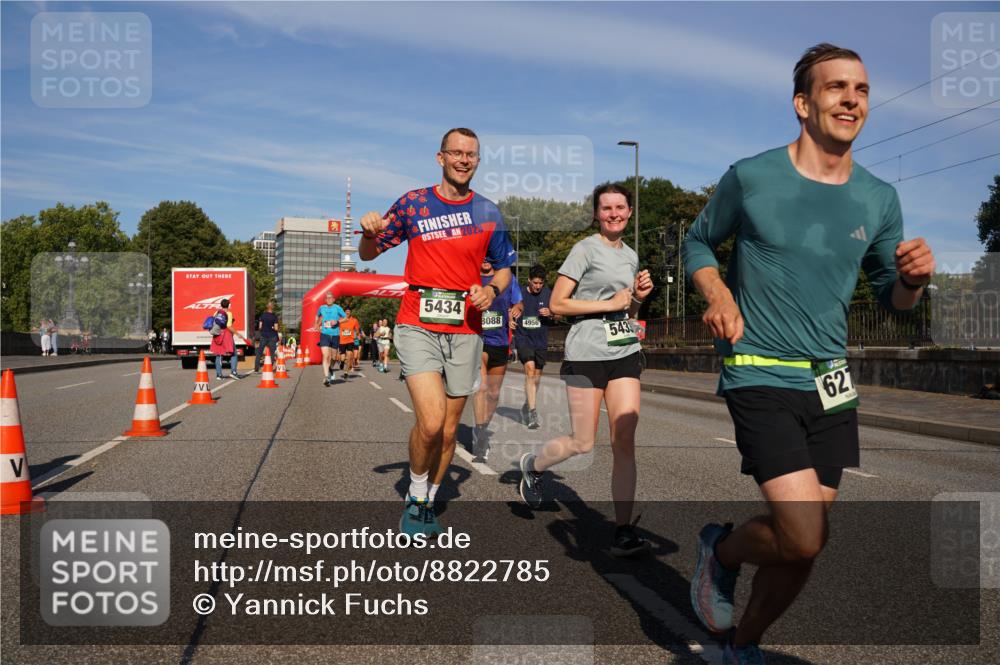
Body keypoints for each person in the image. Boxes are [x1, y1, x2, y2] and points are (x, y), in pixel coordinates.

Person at [681, 44, 936, 664]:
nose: (852, 99)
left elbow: (893, 300)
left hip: (830, 382)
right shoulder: (753, 176)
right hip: (759, 370)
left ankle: (745, 644)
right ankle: (722, 551)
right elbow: (697, 242)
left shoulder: (879, 198)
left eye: (863, 89)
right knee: (802, 532)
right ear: (803, 103)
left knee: (806, 546)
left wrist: (913, 278)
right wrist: (716, 291)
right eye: (837, 87)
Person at [359, 127, 516, 537]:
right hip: (417, 320)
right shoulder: (414, 203)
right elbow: (369, 252)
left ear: (477, 161)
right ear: (440, 157)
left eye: (472, 155)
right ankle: (414, 494)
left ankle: (428, 499)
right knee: (429, 423)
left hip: (466, 326)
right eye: (457, 153)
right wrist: (368, 231)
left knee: (448, 431)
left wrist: (492, 289)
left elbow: (504, 267)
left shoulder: (488, 212)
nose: (465, 160)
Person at [517, 183, 653, 558]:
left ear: (629, 211)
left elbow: (629, 311)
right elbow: (558, 303)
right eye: (606, 208)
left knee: (624, 438)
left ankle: (623, 530)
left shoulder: (630, 255)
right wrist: (606, 302)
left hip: (624, 349)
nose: (614, 213)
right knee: (583, 442)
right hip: (587, 352)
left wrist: (638, 298)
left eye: (620, 207)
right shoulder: (584, 249)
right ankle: (534, 465)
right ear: (596, 214)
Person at [471, 259, 523, 462]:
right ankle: (481, 436)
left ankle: (481, 427)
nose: (484, 260)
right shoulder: (472, 275)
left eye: (489, 256)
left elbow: (518, 301)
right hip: (479, 338)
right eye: (481, 255)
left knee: (493, 393)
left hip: (500, 341)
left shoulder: (508, 278)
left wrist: (517, 308)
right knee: (481, 388)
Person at [514, 264, 556, 430]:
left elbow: (559, 313)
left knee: (536, 378)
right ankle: (532, 412)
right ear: (529, 280)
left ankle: (527, 404)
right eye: (535, 283)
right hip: (524, 337)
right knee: (530, 370)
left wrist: (551, 312)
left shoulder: (548, 293)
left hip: (540, 340)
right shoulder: (520, 293)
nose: (538, 286)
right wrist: (511, 316)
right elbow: (513, 308)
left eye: (541, 283)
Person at [210, 298, 250, 379]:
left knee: (219, 354)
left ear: (221, 305)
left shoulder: (217, 312)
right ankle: (233, 372)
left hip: (217, 335)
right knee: (234, 353)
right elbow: (228, 326)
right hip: (226, 335)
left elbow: (213, 323)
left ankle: (219, 375)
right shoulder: (228, 313)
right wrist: (237, 334)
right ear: (228, 305)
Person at [315, 292, 347, 386]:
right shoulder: (322, 308)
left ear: (333, 299)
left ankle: (330, 368)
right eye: (327, 298)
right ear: (325, 300)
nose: (329, 299)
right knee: (325, 355)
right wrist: (316, 324)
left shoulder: (337, 308)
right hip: (324, 334)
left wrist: (337, 321)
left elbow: (345, 318)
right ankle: (326, 378)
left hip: (335, 335)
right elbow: (318, 315)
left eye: (330, 298)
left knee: (333, 357)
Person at [255, 301, 280, 374]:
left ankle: (256, 368)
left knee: (259, 352)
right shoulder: (274, 317)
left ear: (267, 307)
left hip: (263, 336)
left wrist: (263, 329)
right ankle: (270, 368)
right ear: (272, 307)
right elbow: (276, 328)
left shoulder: (262, 315)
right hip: (272, 336)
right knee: (272, 353)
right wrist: (273, 327)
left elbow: (260, 327)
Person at [338, 307, 361, 380]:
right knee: (342, 358)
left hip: (350, 341)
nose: (347, 312)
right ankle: (341, 362)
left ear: (350, 312)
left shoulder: (354, 320)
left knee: (350, 356)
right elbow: (336, 328)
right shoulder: (341, 320)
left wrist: (356, 333)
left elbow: (357, 330)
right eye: (346, 311)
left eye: (349, 311)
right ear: (344, 312)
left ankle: (346, 372)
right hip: (342, 341)